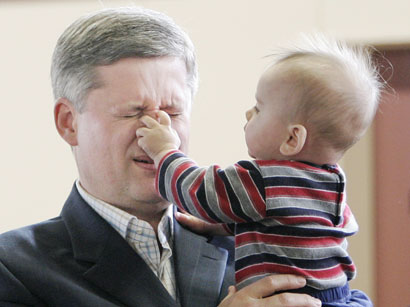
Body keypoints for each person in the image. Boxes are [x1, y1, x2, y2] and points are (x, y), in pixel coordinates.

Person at [0, 7, 323, 307]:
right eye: (133, 113)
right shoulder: (13, 267)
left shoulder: (260, 242)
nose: (158, 133)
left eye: (173, 111)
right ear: (68, 122)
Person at [136, 34, 382, 306]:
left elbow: (201, 192)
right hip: (339, 296)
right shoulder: (331, 179)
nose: (248, 114)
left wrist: (165, 152)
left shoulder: (262, 180)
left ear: (292, 139)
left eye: (259, 108)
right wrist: (221, 227)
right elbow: (285, 224)